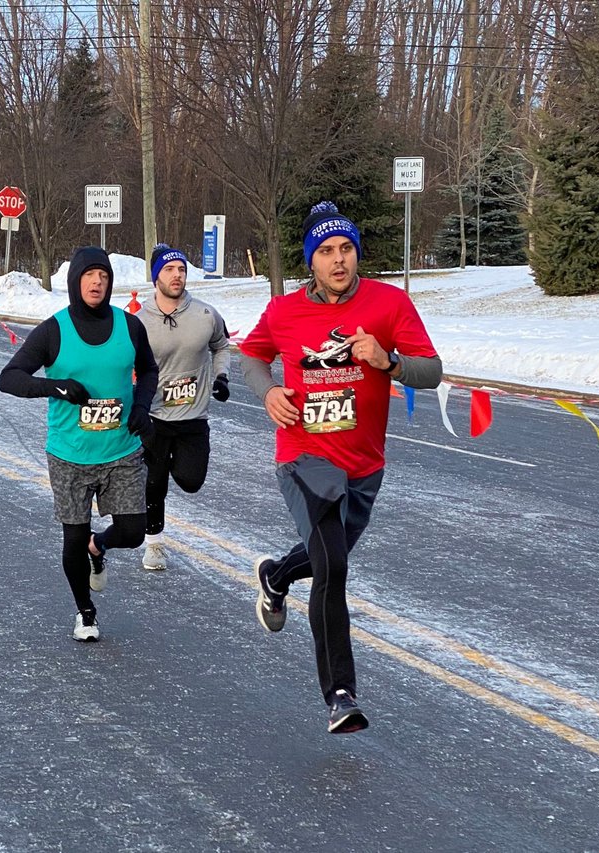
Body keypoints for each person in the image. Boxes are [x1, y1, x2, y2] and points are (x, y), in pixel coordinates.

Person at [240, 201, 442, 734]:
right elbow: (252, 355)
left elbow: (433, 372)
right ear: (311, 260)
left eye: (346, 249)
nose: (338, 260)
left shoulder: (388, 304)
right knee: (333, 568)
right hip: (303, 459)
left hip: (364, 466)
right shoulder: (284, 311)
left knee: (325, 555)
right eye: (326, 251)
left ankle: (276, 574)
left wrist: (389, 362)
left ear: (357, 254)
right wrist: (268, 394)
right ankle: (341, 694)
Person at [0, 246, 159, 642]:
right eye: (89, 275)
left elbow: (149, 369)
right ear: (75, 282)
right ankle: (86, 612)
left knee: (134, 531)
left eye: (103, 276)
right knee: (72, 537)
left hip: (120, 449)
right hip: (70, 454)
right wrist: (56, 386)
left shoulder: (129, 326)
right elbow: (10, 377)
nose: (97, 282)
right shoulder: (54, 330)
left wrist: (140, 404)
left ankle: (99, 546)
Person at [137, 244, 232, 571]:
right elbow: (122, 363)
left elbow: (222, 345)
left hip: (193, 418)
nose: (177, 275)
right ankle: (154, 544)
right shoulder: (137, 322)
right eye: (169, 270)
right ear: (155, 278)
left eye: (181, 269)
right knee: (153, 484)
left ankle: (175, 462)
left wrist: (221, 376)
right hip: (155, 417)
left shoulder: (205, 314)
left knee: (191, 481)